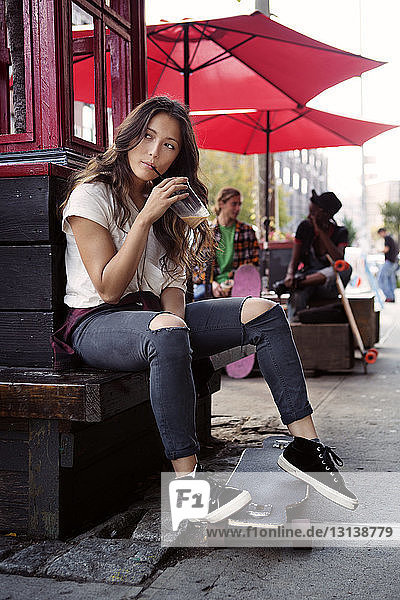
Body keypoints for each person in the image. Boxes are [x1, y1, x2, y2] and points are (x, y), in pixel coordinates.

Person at [52, 96, 357, 521]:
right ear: (128, 137)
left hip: (153, 318)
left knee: (264, 313)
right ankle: (189, 491)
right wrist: (143, 219)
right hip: (96, 323)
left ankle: (305, 446)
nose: (155, 152)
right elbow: (107, 287)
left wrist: (177, 321)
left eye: (170, 146)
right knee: (165, 330)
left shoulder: (167, 204)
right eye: (147, 137)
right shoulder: (93, 194)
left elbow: (173, 284)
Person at [275, 190, 351, 322]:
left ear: (326, 214)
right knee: (298, 294)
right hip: (308, 279)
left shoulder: (340, 232)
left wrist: (321, 231)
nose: (310, 216)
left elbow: (338, 259)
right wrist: (289, 275)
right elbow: (295, 259)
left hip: (329, 285)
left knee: (345, 268)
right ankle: (294, 325)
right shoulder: (304, 228)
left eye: (314, 213)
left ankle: (298, 282)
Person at [192, 187, 259, 299]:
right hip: (211, 291)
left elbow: (254, 265)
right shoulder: (207, 232)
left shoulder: (247, 232)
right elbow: (197, 269)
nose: (238, 208)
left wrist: (236, 282)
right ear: (221, 203)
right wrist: (211, 285)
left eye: (239, 204)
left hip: (240, 289)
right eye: (234, 204)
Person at [377, 227, 398, 302]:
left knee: (381, 279)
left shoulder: (387, 238)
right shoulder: (391, 238)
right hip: (394, 262)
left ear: (382, 232)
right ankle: (391, 297)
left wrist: (378, 251)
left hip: (389, 262)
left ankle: (389, 296)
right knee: (390, 280)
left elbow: (386, 249)